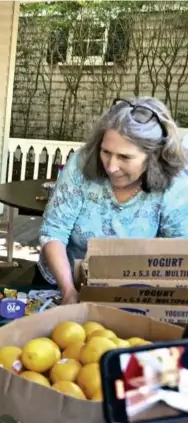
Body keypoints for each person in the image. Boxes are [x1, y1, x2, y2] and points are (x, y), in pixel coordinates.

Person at [37, 97, 188, 304]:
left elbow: (178, 254)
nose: (111, 166)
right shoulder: (82, 162)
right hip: (64, 282)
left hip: (138, 294)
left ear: (154, 157)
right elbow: (54, 230)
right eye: (106, 152)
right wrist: (69, 291)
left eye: (125, 157)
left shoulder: (175, 184)